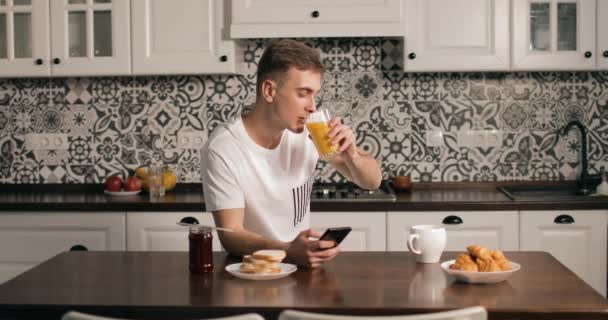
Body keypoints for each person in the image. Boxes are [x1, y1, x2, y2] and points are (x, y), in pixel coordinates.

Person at [201, 39, 382, 268]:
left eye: (315, 94)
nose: (312, 107)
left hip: (301, 268)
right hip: (252, 272)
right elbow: (231, 234)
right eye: (303, 93)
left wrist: (351, 155)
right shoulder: (224, 148)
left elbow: (372, 181)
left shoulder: (309, 132)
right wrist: (288, 250)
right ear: (269, 90)